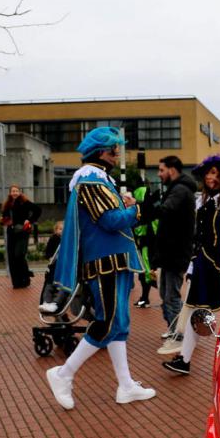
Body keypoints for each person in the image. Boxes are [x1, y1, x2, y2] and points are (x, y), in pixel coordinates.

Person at [46, 127, 155, 410]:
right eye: (113, 149)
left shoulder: (97, 179)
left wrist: (132, 209)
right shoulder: (91, 180)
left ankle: (126, 384)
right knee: (107, 322)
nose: (117, 154)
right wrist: (140, 210)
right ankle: (63, 374)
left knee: (118, 324)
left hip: (113, 260)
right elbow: (109, 220)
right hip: (104, 261)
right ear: (101, 152)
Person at [162, 155, 220, 375]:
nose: (211, 178)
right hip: (203, 264)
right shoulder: (201, 201)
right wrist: (193, 264)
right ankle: (184, 359)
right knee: (196, 312)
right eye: (208, 174)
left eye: (216, 173)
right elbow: (198, 236)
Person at [140, 155, 197, 352]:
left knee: (171, 296)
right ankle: (178, 330)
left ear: (172, 170)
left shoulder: (180, 190)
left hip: (175, 254)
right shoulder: (177, 189)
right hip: (170, 253)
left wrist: (145, 207)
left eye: (161, 170)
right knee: (166, 295)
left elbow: (166, 211)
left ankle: (181, 335)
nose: (159, 174)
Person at [0, 184, 41, 289]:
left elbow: (38, 210)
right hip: (11, 232)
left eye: (16, 191)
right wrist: (3, 220)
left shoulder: (24, 202)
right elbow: (5, 217)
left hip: (23, 231)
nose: (14, 193)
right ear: (10, 193)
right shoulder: (7, 204)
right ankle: (16, 282)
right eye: (13, 191)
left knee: (19, 255)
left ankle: (25, 278)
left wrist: (30, 220)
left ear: (20, 192)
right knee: (12, 257)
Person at [132, 183, 158, 308]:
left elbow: (140, 232)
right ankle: (144, 298)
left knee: (146, 273)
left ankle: (145, 299)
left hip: (146, 248)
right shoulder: (151, 211)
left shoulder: (145, 213)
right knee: (146, 274)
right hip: (148, 248)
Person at [38, 220, 64, 313]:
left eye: (64, 229)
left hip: (64, 268)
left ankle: (55, 303)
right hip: (54, 266)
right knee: (49, 285)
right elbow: (48, 251)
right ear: (56, 230)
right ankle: (46, 302)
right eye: (60, 229)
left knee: (63, 287)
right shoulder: (54, 239)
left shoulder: (69, 240)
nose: (62, 231)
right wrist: (50, 257)